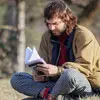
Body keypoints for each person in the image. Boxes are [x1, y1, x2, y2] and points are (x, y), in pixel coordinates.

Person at [10, 1, 100, 100]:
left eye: (55, 23)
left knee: (69, 74)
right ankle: (53, 96)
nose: (51, 28)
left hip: (83, 84)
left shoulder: (83, 35)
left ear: (66, 19)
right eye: (48, 24)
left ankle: (51, 96)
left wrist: (58, 70)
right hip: (56, 84)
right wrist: (40, 74)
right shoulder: (47, 36)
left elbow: (85, 68)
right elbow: (43, 63)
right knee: (17, 78)